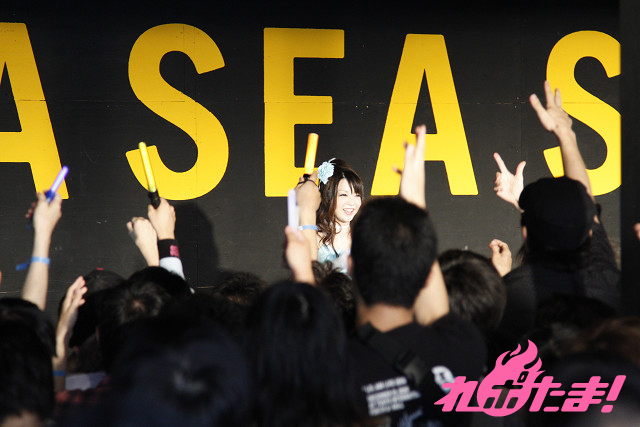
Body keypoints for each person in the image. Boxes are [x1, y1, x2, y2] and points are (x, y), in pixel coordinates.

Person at [347, 125, 486, 426]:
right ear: (425, 275)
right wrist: (414, 206)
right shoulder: (463, 345)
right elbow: (436, 310)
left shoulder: (330, 371)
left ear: (350, 266)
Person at [492, 81, 621, 354]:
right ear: (589, 231)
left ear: (526, 233)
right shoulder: (606, 278)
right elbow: (582, 201)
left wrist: (501, 278)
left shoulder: (514, 294)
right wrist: (566, 133)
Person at [295, 158, 364, 273]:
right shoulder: (314, 236)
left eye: (357, 195)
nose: (352, 203)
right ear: (328, 196)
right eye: (343, 195)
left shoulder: (364, 235)